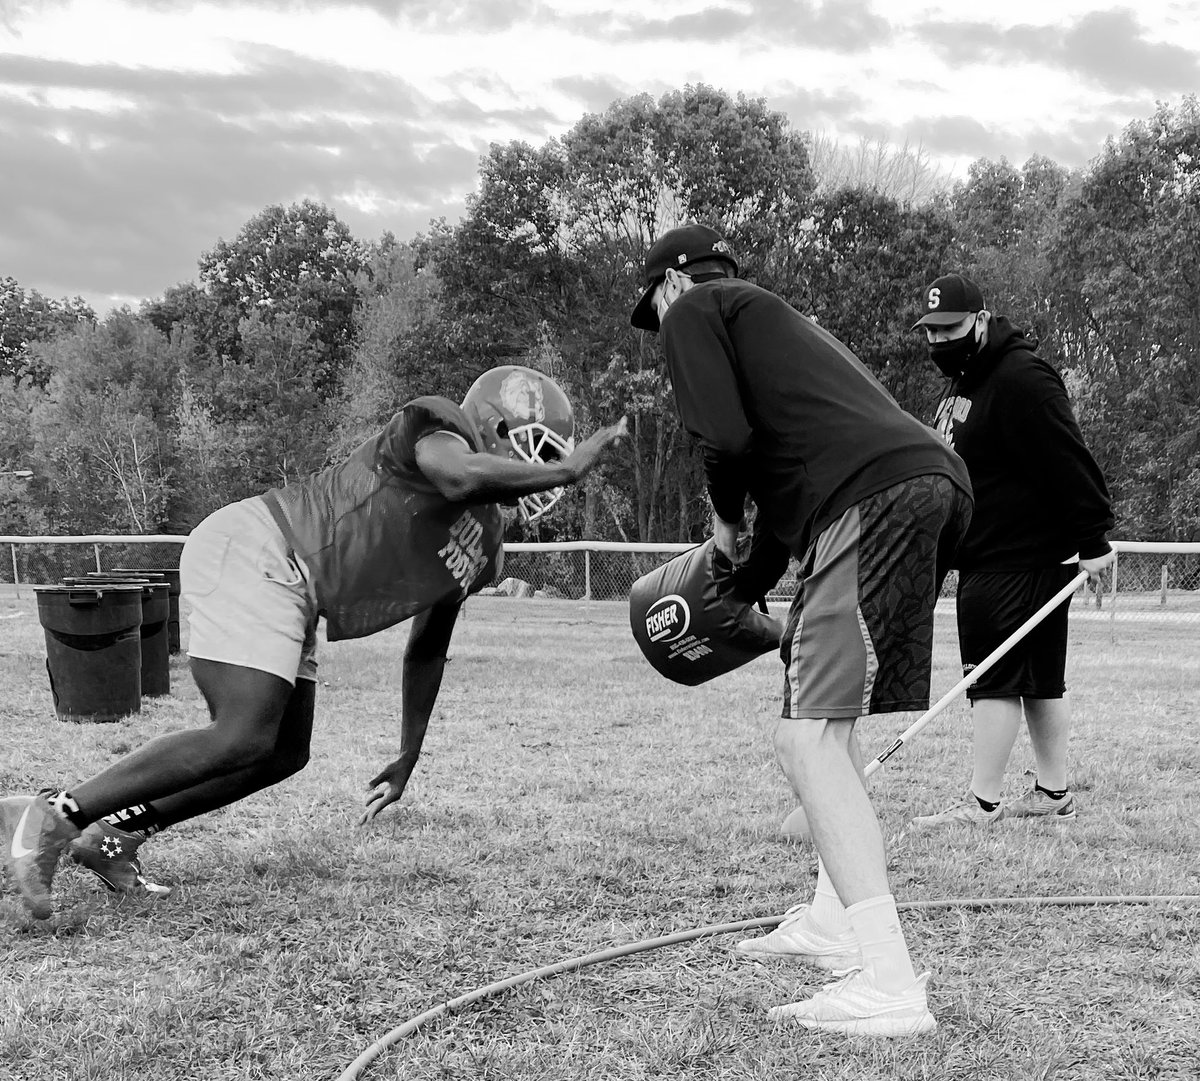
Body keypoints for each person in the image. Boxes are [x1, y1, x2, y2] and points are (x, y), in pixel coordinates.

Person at [2, 365, 626, 920]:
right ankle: (57, 813)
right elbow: (459, 478)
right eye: (536, 448)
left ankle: (114, 837)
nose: (546, 470)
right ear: (492, 424)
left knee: (281, 752)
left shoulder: (488, 542)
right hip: (264, 545)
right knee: (244, 730)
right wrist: (569, 470)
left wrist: (408, 753)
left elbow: (428, 645)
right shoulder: (436, 425)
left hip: (300, 589)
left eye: (554, 456)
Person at [630, 225, 973, 1037]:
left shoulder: (695, 310)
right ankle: (831, 922)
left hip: (870, 498)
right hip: (919, 488)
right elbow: (787, 491)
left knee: (806, 740)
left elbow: (727, 441)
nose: (659, 333)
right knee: (831, 723)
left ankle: (889, 979)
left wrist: (718, 530)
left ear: (673, 284)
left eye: (652, 312)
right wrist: (745, 584)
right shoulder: (780, 329)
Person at [908, 274, 1115, 829]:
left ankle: (981, 803)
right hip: (997, 555)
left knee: (993, 679)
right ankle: (1054, 796)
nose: (938, 342)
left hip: (1015, 556)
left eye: (949, 329)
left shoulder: (1021, 377)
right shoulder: (966, 377)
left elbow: (1069, 458)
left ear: (980, 319)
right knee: (1039, 681)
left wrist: (1093, 539)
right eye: (930, 332)